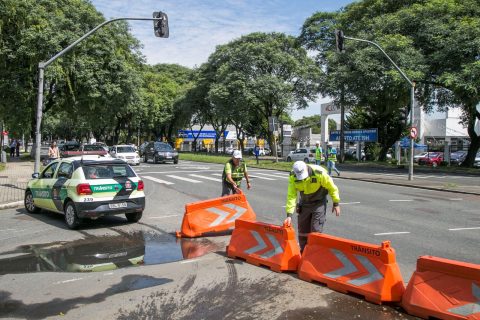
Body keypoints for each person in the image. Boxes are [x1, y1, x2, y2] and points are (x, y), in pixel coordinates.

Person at [284, 161, 341, 252]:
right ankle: (303, 253)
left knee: (315, 230)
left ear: (306, 168)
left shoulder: (319, 173)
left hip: (318, 203)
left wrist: (336, 203)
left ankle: (314, 254)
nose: (302, 179)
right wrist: (289, 215)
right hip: (304, 203)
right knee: (303, 231)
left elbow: (332, 188)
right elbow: (291, 195)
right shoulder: (293, 176)